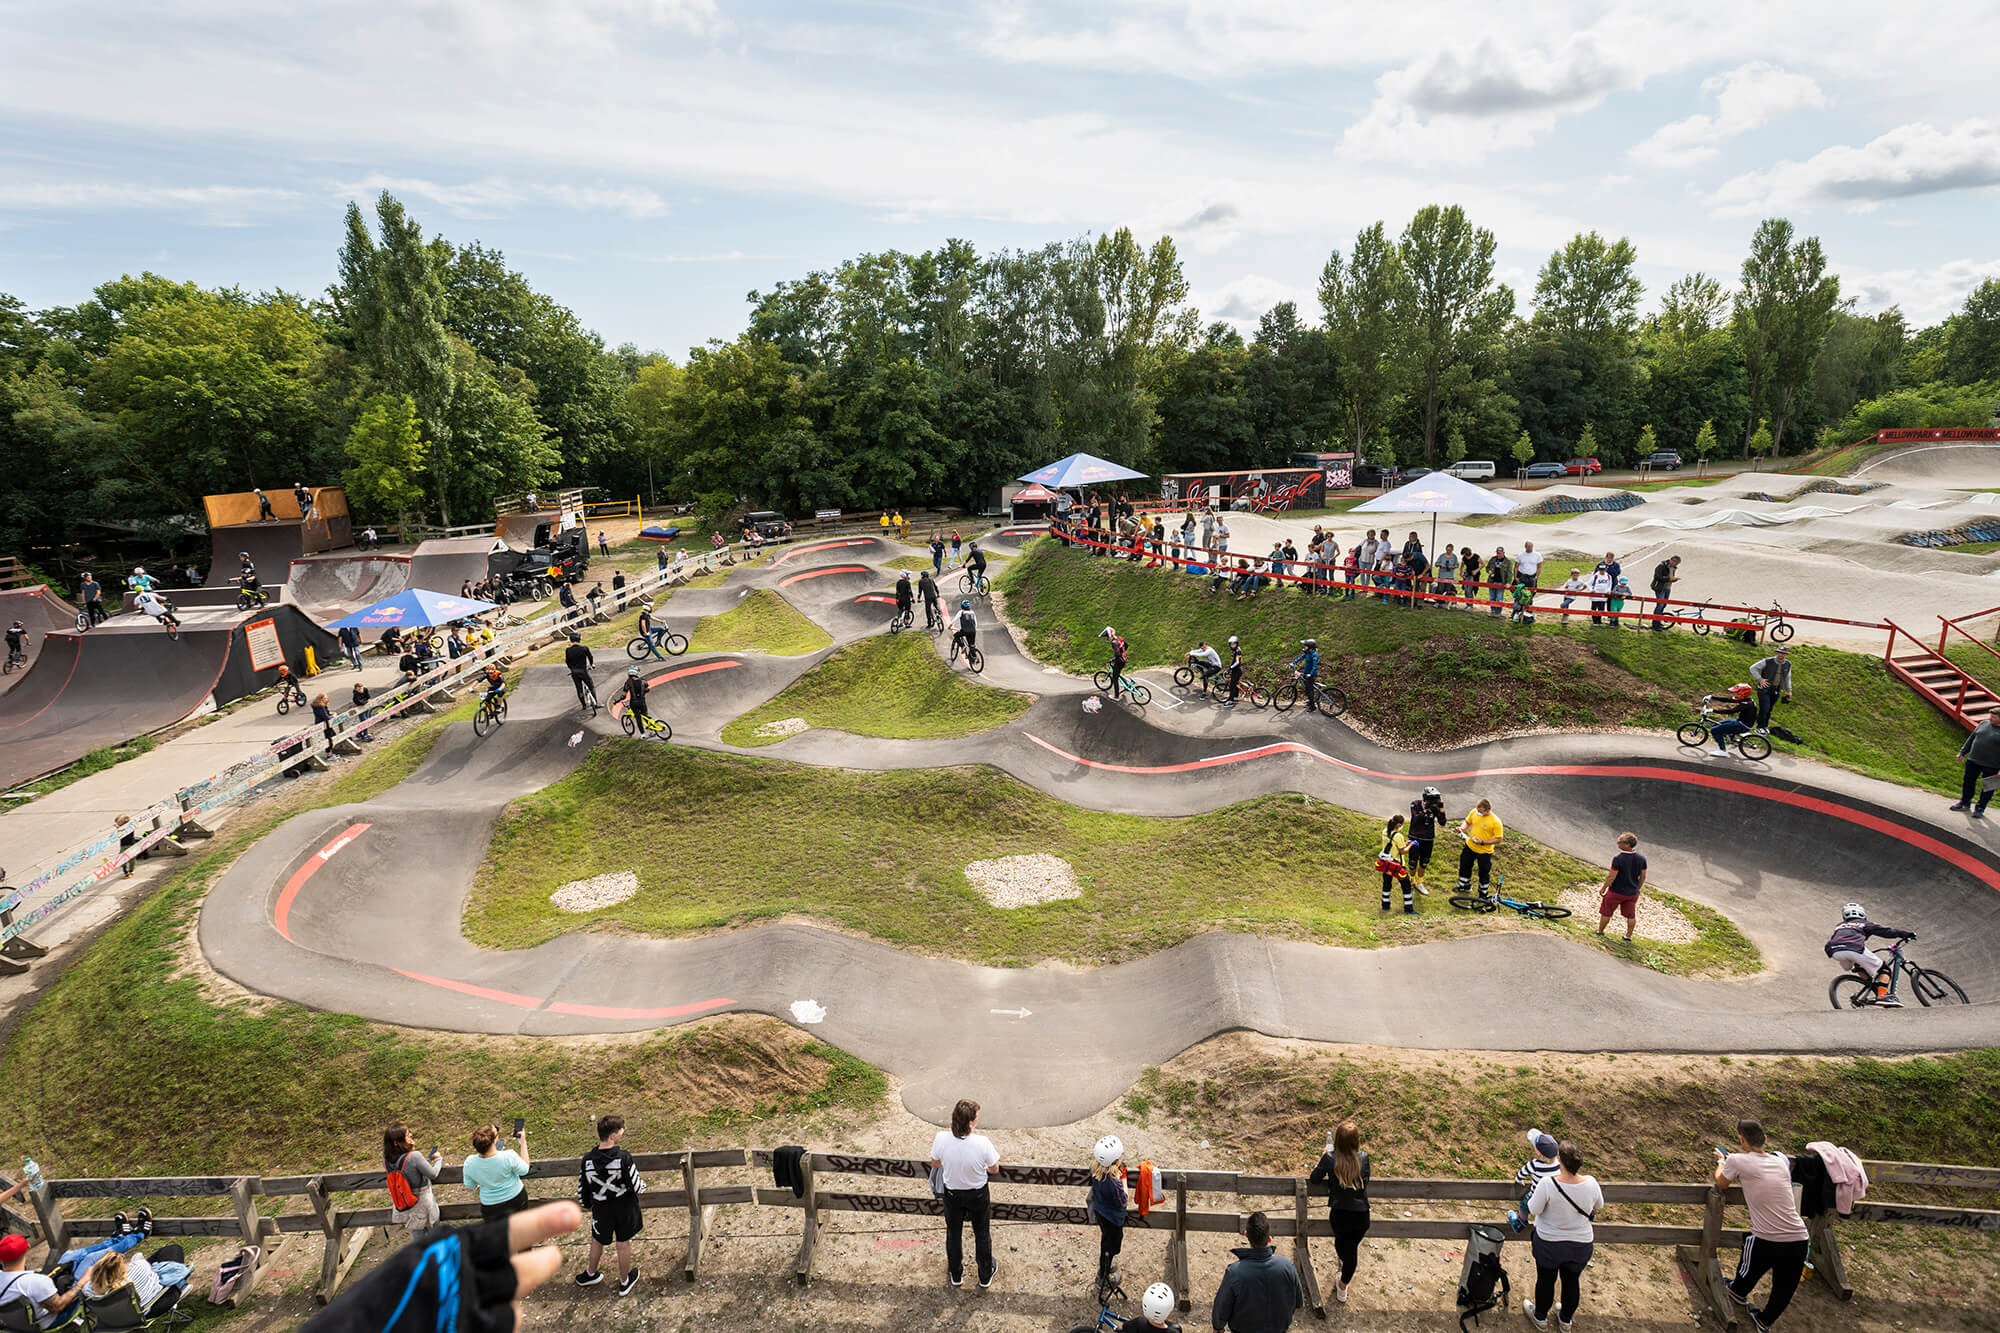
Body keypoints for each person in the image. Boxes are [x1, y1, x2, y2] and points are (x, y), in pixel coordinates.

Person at [1716, 1118, 1810, 1331]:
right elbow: (1774, 1160)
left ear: (1741, 1139)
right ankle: (1764, 1321)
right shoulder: (1781, 1160)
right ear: (1765, 1139)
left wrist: (1722, 1162)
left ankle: (1738, 1291)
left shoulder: (1737, 1161)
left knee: (1750, 1260)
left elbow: (1721, 1183)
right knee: (1784, 1288)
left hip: (1767, 1239)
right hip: (1799, 1238)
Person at [1521, 1141, 1600, 1332]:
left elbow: (1533, 1208)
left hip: (1550, 1244)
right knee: (1572, 1281)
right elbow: (1598, 1205)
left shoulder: (1548, 1183)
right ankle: (1565, 1320)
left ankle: (1540, 1317)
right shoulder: (1591, 1182)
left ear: (1561, 1162)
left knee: (1546, 1280)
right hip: (1581, 1245)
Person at [930, 1099, 999, 1289]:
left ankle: (956, 1273)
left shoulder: (941, 1138)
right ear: (970, 1123)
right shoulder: (982, 1142)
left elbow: (935, 1162)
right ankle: (984, 1275)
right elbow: (994, 1168)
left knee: (953, 1232)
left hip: (952, 1194)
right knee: (981, 1232)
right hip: (977, 1194)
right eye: (976, 1118)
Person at [573, 1113, 643, 1295]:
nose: (623, 1132)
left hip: (601, 1209)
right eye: (621, 1130)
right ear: (613, 1135)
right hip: (624, 1208)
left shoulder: (587, 1160)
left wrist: (588, 1204)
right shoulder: (623, 1157)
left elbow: (583, 1188)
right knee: (623, 1244)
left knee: (597, 1240)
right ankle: (624, 1281)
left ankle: (591, 1273)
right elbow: (637, 1185)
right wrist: (643, 1187)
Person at [1306, 1122, 1370, 1304]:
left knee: (1347, 1251)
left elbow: (1315, 1179)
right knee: (1349, 1249)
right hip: (1361, 1215)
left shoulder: (1330, 1158)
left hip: (1340, 1215)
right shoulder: (1364, 1158)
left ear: (1337, 1140)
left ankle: (1343, 1286)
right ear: (1356, 1141)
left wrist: (1323, 1158)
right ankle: (1344, 1271)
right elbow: (1366, 1181)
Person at [1209, 1210, 1303, 1333]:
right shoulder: (1287, 1266)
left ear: (1246, 1234)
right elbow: (1299, 1302)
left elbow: (1221, 1308)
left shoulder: (1235, 1272)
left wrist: (1218, 1326)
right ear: (1269, 1239)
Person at [1824, 902, 1915, 1006]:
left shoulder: (1839, 926)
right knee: (1884, 970)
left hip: (1835, 951)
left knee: (1858, 964)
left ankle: (1870, 984)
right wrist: (1904, 934)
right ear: (1862, 914)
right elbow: (1885, 931)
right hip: (1854, 948)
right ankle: (1882, 997)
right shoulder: (1864, 924)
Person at [81, 1241, 192, 1318]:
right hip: (154, 1307)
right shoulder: (138, 1269)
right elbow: (148, 1268)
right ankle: (180, 1284)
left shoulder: (88, 1290)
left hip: (119, 1320)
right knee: (173, 1250)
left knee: (153, 1263)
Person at [0, 1231, 87, 1328]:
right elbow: (58, 1307)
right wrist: (80, 1284)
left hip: (13, 1325)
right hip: (44, 1324)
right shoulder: (35, 1281)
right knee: (82, 1283)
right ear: (27, 1248)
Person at [384, 1124, 444, 1245]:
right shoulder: (414, 1156)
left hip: (405, 1201)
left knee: (417, 1236)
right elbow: (433, 1174)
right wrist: (438, 1160)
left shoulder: (386, 1159)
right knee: (435, 1235)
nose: (410, 1135)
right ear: (397, 1142)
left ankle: (421, 1259)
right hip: (422, 1202)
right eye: (407, 1135)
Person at [464, 1123, 532, 1223]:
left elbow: (470, 1185)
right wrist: (523, 1143)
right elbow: (524, 1170)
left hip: (490, 1206)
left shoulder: (469, 1162)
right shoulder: (508, 1156)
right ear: (495, 1140)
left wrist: (483, 1180)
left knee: (498, 1235)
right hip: (516, 1199)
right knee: (521, 1228)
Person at [1089, 1134, 1128, 1292]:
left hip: (1101, 1213)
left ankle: (1106, 1264)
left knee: (1105, 1241)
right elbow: (1124, 1200)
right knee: (1112, 1245)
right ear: (1116, 1161)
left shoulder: (1095, 1171)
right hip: (1113, 1219)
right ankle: (1104, 1277)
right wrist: (1123, 1178)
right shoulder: (1114, 1183)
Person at [1506, 1130, 1562, 1233]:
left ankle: (1520, 1223)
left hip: (1536, 1195)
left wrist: (1519, 1180)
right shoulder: (1558, 1164)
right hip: (1552, 1197)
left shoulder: (1534, 1164)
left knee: (1524, 1204)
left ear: (1538, 1152)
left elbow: (1522, 1173)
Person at [1596, 833, 1647, 940]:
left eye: (1620, 842)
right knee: (1631, 915)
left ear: (1627, 844)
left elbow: (1611, 876)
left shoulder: (1618, 859)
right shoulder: (1642, 859)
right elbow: (1643, 877)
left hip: (1616, 892)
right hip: (1632, 893)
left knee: (1606, 912)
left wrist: (1604, 888)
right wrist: (1637, 889)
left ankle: (1600, 931)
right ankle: (1628, 936)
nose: (1618, 843)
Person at [1952, 710, 2000, 817]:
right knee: (1968, 781)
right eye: (1990, 716)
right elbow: (1972, 738)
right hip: (1973, 760)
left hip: (1993, 765)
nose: (1990, 718)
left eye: (1994, 717)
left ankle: (1980, 808)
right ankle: (1964, 803)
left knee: (1988, 787)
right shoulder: (1983, 723)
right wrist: (1963, 752)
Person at [1456, 798, 1503, 896]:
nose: (1478, 813)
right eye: (1477, 810)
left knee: (1483, 873)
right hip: (1469, 847)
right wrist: (1462, 828)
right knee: (1464, 866)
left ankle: (1483, 893)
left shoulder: (1495, 822)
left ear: (1487, 810)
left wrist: (1482, 842)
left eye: (1480, 812)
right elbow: (1467, 822)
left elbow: (1499, 839)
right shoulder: (1474, 812)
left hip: (1484, 852)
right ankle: (1464, 886)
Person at [1406, 787, 1446, 895]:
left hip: (1428, 839)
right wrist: (1426, 809)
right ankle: (1411, 880)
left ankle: (1419, 883)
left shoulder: (1435, 808)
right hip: (1415, 837)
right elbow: (1417, 818)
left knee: (1424, 862)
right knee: (1412, 862)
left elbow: (1442, 822)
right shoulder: (1415, 804)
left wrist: (1441, 809)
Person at [1701, 683, 1759, 757]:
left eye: (1737, 693)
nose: (1735, 695)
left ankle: (1723, 751)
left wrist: (1712, 710)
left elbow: (1730, 711)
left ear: (1743, 694)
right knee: (1718, 724)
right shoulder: (1746, 699)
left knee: (1714, 730)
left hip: (1742, 725)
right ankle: (1732, 740)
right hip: (1740, 721)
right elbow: (1728, 700)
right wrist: (1712, 697)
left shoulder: (1746, 704)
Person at [1376, 812, 1413, 914]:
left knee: (1387, 884)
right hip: (1397, 865)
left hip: (1386, 864)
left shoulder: (1385, 831)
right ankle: (1408, 909)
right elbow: (1402, 851)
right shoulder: (1398, 836)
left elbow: (1393, 844)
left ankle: (1385, 905)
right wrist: (1410, 845)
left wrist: (1405, 843)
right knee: (1406, 886)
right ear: (1399, 825)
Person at [1750, 647, 1791, 734]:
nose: (1781, 655)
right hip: (1764, 689)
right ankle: (1759, 727)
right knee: (1764, 708)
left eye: (1783, 653)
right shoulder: (1767, 661)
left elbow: (1787, 677)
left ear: (1786, 654)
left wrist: (1789, 690)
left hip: (1776, 690)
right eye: (1779, 653)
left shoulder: (1788, 664)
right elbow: (1753, 668)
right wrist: (1760, 679)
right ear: (1777, 653)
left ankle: (1765, 726)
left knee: (1769, 709)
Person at [564, 631, 597, 710]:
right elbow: (590, 657)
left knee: (579, 689)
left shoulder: (568, 650)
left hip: (574, 672)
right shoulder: (584, 648)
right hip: (583, 671)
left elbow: (567, 661)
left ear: (571, 640)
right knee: (591, 686)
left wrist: (571, 668)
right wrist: (592, 665)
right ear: (579, 639)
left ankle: (584, 705)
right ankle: (596, 703)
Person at [1649, 554, 1681, 629]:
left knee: (1663, 605)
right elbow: (1657, 577)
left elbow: (1670, 577)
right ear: (1672, 561)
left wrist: (1673, 580)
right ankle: (1655, 624)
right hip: (1660, 588)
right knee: (1660, 605)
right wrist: (1669, 579)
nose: (1676, 565)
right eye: (1676, 563)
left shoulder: (1673, 568)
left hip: (1668, 588)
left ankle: (1658, 622)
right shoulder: (1661, 566)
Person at [1290, 639, 1321, 712]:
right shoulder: (1307, 653)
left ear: (1310, 647)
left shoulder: (1314, 655)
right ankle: (1310, 701)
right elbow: (1300, 658)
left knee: (1309, 690)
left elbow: (1315, 666)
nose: (1305, 647)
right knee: (1307, 688)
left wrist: (1311, 673)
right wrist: (1293, 663)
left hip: (1311, 674)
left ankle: (1312, 706)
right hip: (1306, 673)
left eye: (1306, 646)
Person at [1100, 626, 1129, 696]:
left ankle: (1116, 696)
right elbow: (1126, 645)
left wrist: (1113, 659)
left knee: (1115, 678)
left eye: (1107, 636)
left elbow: (1117, 654)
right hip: (1124, 659)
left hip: (1119, 661)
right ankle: (1127, 685)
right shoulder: (1119, 638)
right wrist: (1123, 652)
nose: (1107, 638)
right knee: (1117, 673)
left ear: (1110, 635)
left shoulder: (1114, 643)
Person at [1223, 636, 1244, 708]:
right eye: (1231, 644)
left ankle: (1230, 701)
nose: (1232, 646)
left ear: (1237, 644)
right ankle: (1235, 697)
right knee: (1235, 684)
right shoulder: (1235, 650)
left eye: (1234, 644)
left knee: (1232, 685)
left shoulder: (1238, 651)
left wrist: (1230, 668)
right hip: (1236, 669)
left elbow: (1238, 662)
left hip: (1237, 670)